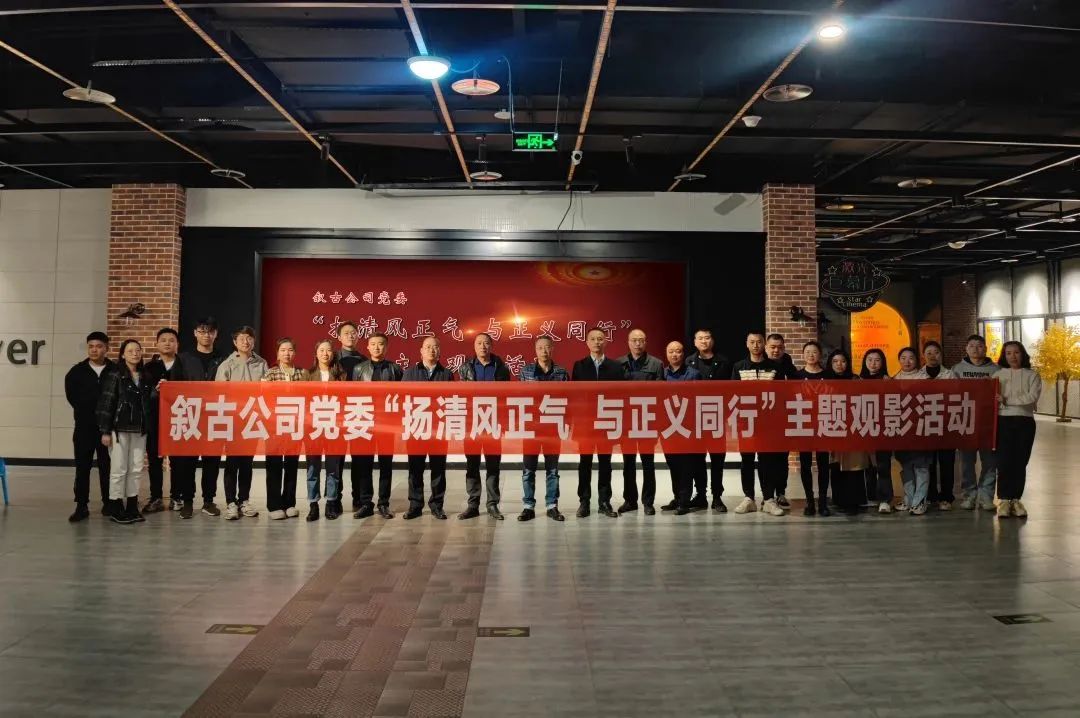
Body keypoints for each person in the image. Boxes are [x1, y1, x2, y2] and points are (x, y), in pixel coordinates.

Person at [571, 327, 626, 519]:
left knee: (605, 463)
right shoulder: (579, 366)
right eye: (593, 339)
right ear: (587, 342)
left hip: (606, 422)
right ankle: (584, 502)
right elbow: (574, 396)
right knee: (584, 463)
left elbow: (620, 396)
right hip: (585, 424)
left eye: (600, 339)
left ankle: (604, 502)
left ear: (606, 341)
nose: (597, 342)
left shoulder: (615, 367)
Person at [215, 325, 268, 521]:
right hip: (233, 420)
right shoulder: (226, 365)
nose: (246, 342)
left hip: (251, 420)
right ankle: (230, 502)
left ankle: (244, 500)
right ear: (235, 342)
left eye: (249, 338)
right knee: (232, 462)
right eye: (242, 338)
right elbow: (218, 393)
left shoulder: (262, 363)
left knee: (247, 462)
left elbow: (267, 391)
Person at [96, 339, 151, 525]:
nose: (135, 353)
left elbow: (148, 403)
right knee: (119, 468)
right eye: (130, 351)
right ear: (122, 355)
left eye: (137, 350)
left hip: (140, 429)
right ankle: (115, 506)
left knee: (136, 468)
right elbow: (107, 403)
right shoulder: (116, 375)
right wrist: (105, 431)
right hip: (119, 429)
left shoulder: (145, 376)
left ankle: (132, 506)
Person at [458, 333, 512, 520]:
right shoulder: (465, 368)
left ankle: (492, 504)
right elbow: (461, 396)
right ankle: (473, 505)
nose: (483, 346)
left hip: (493, 423)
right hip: (472, 424)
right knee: (472, 465)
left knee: (493, 465)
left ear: (492, 346)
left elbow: (506, 398)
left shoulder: (501, 368)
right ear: (474, 346)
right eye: (479, 343)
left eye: (486, 343)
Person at [175, 317, 226, 517]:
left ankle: (208, 501)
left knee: (212, 462)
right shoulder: (183, 359)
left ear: (216, 334)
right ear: (195, 333)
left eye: (210, 331)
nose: (206, 335)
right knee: (187, 462)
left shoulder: (223, 359)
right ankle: (187, 501)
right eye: (202, 331)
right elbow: (174, 387)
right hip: (190, 416)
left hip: (214, 416)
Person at [65, 331, 117, 521]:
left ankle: (108, 503)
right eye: (91, 346)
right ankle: (81, 505)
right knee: (82, 467)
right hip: (84, 427)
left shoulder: (115, 370)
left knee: (107, 466)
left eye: (99, 346)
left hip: (108, 429)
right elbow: (72, 397)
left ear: (106, 348)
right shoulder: (77, 372)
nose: (94, 350)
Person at [402, 336, 454, 520]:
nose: (432, 350)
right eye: (428, 347)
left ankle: (437, 505)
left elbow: (451, 401)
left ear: (440, 351)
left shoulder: (447, 374)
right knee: (415, 469)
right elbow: (403, 401)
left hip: (438, 429)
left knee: (438, 469)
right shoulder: (409, 373)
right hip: (416, 428)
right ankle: (415, 505)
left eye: (435, 347)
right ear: (421, 351)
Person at [352, 332, 403, 520]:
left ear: (386, 347)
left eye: (380, 344)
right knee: (364, 465)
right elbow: (353, 396)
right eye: (373, 344)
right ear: (367, 347)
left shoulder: (395, 369)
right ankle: (366, 503)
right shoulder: (359, 369)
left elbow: (401, 398)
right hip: (364, 422)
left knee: (385, 465)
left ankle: (383, 503)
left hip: (386, 425)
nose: (376, 347)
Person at [731, 332, 782, 516]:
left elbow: (781, 394)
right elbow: (733, 394)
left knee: (767, 460)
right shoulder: (739, 367)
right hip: (746, 421)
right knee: (746, 460)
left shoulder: (775, 367)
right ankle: (748, 498)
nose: (755, 345)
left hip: (768, 422)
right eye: (752, 342)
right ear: (747, 344)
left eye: (759, 342)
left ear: (764, 344)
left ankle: (768, 499)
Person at [518, 336, 569, 522]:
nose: (544, 351)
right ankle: (528, 506)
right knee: (528, 470)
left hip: (553, 428)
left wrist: (566, 425)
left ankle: (552, 506)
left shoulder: (561, 373)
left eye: (547, 347)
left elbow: (568, 400)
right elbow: (520, 399)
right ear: (535, 350)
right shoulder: (526, 372)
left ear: (552, 349)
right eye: (540, 348)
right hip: (531, 428)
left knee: (552, 470)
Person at [618, 328, 664, 515]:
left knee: (648, 464)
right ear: (628, 342)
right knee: (628, 464)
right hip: (626, 422)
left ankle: (648, 502)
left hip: (647, 421)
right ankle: (630, 501)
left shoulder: (656, 364)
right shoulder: (618, 364)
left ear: (646, 342)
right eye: (634, 340)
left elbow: (660, 396)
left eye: (641, 340)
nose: (637, 343)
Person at [685, 328, 731, 512]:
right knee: (697, 459)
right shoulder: (689, 361)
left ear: (712, 340)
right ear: (695, 342)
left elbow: (730, 390)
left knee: (718, 459)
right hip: (695, 419)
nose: (704, 341)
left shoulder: (724, 362)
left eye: (707, 338)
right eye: (700, 338)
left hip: (717, 416)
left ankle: (717, 497)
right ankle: (701, 495)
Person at [952, 335, 1000, 511]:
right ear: (966, 349)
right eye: (971, 346)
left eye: (979, 346)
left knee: (990, 462)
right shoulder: (957, 370)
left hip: (989, 423)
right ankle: (969, 495)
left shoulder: (996, 370)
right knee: (966, 462)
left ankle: (986, 496)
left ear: (985, 349)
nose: (975, 349)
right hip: (966, 421)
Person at [995, 341, 1040, 519]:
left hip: (1025, 421)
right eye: (1008, 353)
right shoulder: (998, 375)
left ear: (1023, 354)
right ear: (1004, 356)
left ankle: (1016, 499)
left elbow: (1032, 397)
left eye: (1016, 352)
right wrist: (1004, 401)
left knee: (1021, 461)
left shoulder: (1032, 375)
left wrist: (1006, 400)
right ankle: (1004, 500)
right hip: (1003, 421)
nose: (1012, 356)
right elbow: (993, 399)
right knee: (1004, 461)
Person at [303, 339, 346, 521]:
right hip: (313, 427)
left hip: (334, 427)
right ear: (316, 353)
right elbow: (302, 400)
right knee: (312, 468)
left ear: (333, 354)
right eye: (321, 350)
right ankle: (313, 505)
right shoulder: (307, 374)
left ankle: (331, 503)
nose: (325, 354)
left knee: (332, 469)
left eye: (328, 350)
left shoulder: (341, 374)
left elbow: (345, 400)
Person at [262, 338, 304, 520]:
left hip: (295, 425)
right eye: (283, 350)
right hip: (274, 426)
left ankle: (289, 503)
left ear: (295, 353)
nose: (287, 353)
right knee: (274, 465)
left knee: (292, 465)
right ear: (277, 353)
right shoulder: (270, 373)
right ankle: (274, 505)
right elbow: (265, 398)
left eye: (290, 350)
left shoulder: (302, 373)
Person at [142, 328, 182, 516]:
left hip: (178, 419)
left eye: (171, 340)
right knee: (155, 459)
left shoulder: (184, 365)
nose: (167, 343)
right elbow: (142, 393)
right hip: (154, 419)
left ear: (177, 344)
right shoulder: (149, 368)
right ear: (157, 344)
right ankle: (156, 497)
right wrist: (155, 391)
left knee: (178, 460)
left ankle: (176, 496)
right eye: (163, 340)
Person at [824, 349, 869, 516]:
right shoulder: (825, 381)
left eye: (842, 361)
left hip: (853, 428)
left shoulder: (856, 380)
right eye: (835, 361)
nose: (839, 365)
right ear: (830, 364)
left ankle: (854, 501)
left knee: (854, 466)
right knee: (836, 465)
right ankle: (839, 500)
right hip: (833, 427)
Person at [662, 341, 701, 515]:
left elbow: (698, 400)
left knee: (686, 465)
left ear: (683, 354)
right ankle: (677, 497)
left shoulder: (694, 374)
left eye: (678, 351)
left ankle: (684, 501)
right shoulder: (663, 374)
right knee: (673, 464)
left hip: (687, 426)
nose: (674, 355)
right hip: (668, 426)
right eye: (671, 351)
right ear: (666, 354)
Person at [795, 341, 831, 517]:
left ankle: (823, 502)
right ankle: (810, 502)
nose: (811, 355)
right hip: (804, 424)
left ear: (820, 355)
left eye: (814, 352)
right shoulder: (797, 376)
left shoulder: (828, 375)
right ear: (803, 355)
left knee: (824, 464)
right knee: (805, 464)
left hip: (823, 423)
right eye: (807, 352)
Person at [336, 321, 369, 512]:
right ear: (339, 337)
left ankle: (359, 499)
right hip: (337, 415)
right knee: (336, 461)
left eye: (354, 333)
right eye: (346, 333)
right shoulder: (332, 359)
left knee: (360, 460)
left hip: (358, 413)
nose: (351, 336)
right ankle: (335, 500)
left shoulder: (364, 361)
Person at [894, 347, 931, 515]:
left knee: (921, 465)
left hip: (920, 428)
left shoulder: (925, 379)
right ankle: (909, 498)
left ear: (917, 360)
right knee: (906, 464)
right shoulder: (894, 379)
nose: (907, 361)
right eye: (903, 358)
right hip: (901, 429)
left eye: (911, 358)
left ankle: (920, 500)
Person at [921, 341, 957, 510]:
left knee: (947, 462)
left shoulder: (950, 375)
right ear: (923, 356)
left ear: (941, 355)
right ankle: (931, 495)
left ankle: (947, 497)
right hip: (925, 425)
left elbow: (957, 396)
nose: (932, 356)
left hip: (946, 424)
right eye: (928, 353)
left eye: (936, 352)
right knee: (928, 462)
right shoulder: (918, 375)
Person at [859, 348, 895, 514]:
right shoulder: (857, 381)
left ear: (883, 363)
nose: (873, 363)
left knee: (883, 464)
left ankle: (885, 499)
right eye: (870, 360)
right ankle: (871, 495)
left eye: (877, 360)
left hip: (883, 428)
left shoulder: (888, 381)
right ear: (865, 362)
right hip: (864, 427)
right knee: (868, 465)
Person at [764, 333, 796, 510]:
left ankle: (781, 493)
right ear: (766, 347)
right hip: (764, 418)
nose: (776, 350)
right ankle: (767, 496)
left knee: (782, 458)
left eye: (779, 347)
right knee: (766, 459)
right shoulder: (760, 363)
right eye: (773, 347)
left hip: (784, 417)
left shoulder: (788, 365)